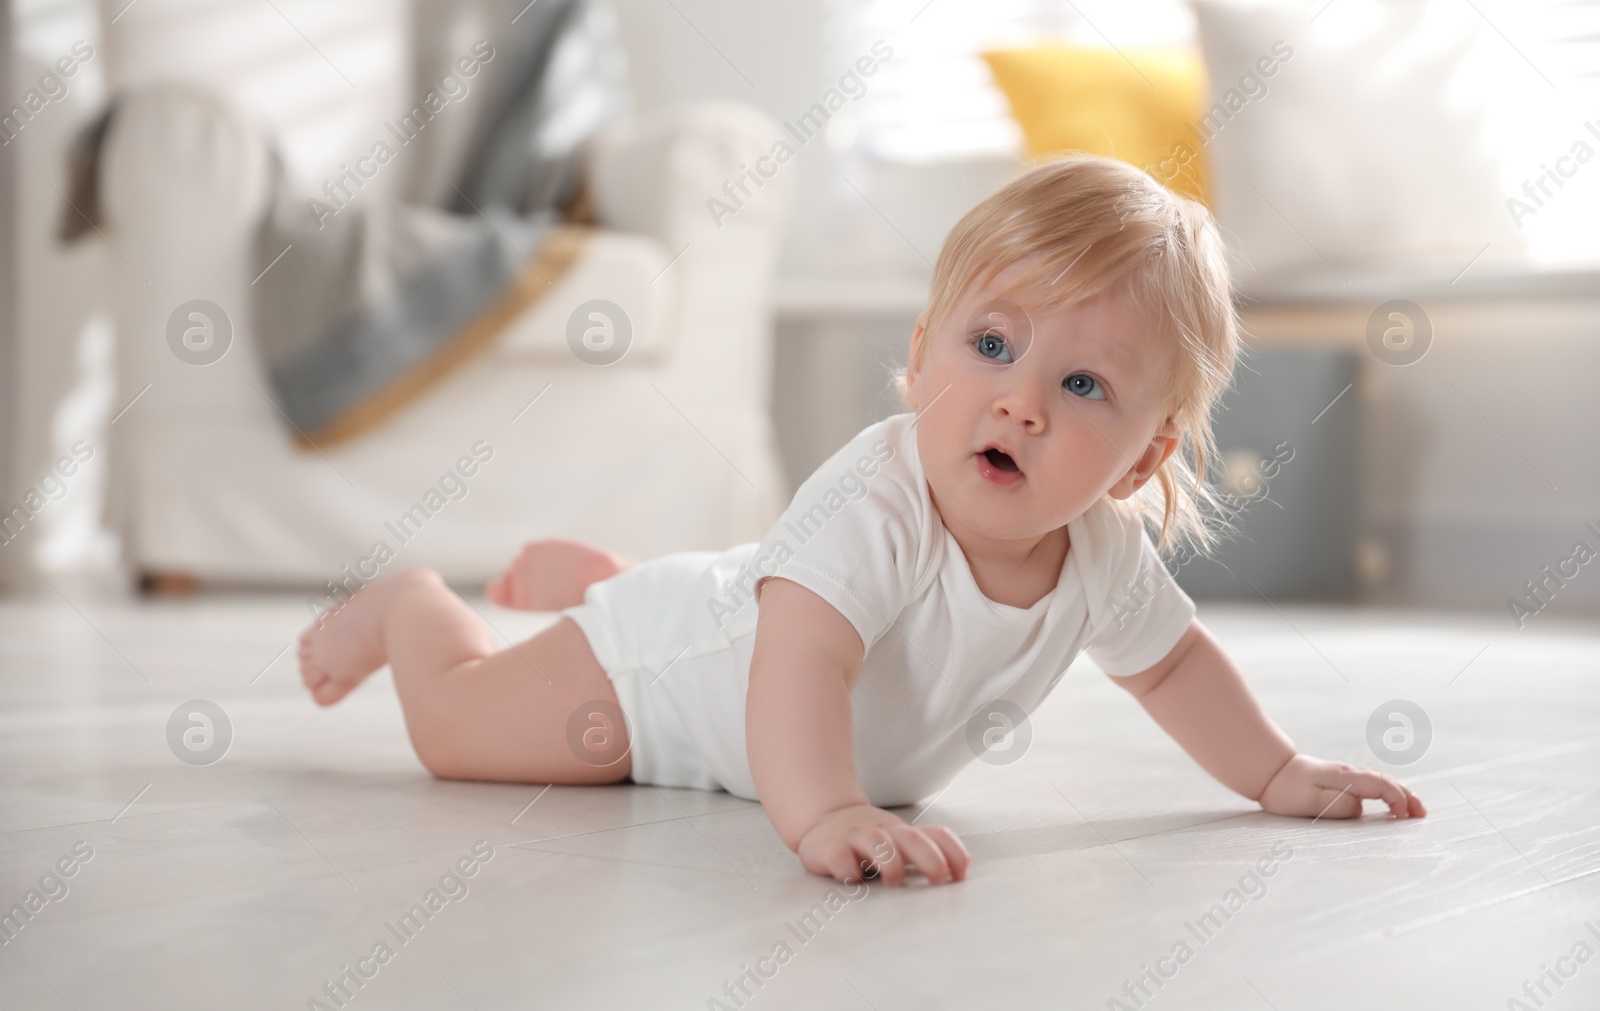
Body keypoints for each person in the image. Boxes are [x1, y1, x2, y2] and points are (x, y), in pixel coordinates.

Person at [299, 154, 1426, 889]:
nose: (1019, 400)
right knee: (454, 734)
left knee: (760, 596)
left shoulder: (1100, 556)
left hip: (745, 623)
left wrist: (1275, 771)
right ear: (921, 351)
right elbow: (799, 664)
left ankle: (656, 574)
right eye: (990, 344)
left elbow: (1173, 664)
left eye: (1083, 386)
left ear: (1143, 457)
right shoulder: (873, 497)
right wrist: (827, 808)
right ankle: (414, 608)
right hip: (652, 681)